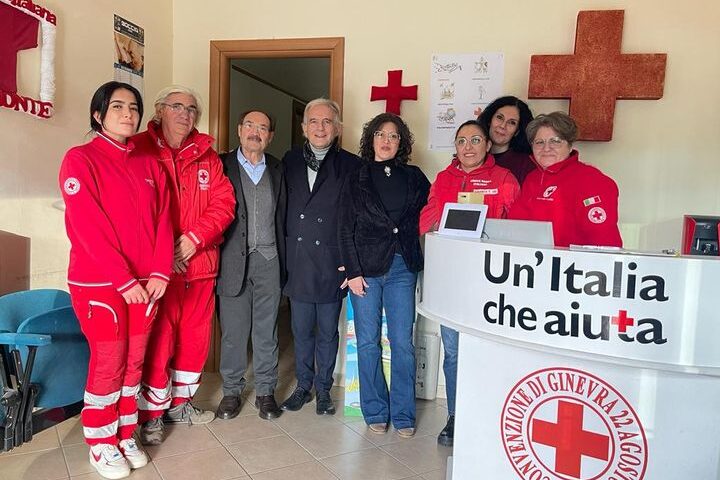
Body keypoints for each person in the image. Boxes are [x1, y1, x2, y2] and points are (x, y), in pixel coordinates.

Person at [59, 81, 173, 479]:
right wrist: (124, 279)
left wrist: (160, 272)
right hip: (101, 285)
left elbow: (163, 222)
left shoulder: (149, 164)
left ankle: (125, 433)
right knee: (109, 363)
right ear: (98, 115)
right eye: (118, 107)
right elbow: (87, 228)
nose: (128, 114)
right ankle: (100, 443)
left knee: (133, 364)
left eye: (134, 107)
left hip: (147, 285)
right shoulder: (80, 159)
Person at [135, 85, 235, 445]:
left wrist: (194, 239)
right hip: (157, 273)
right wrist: (165, 252)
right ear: (160, 110)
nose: (185, 114)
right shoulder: (139, 149)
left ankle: (181, 403)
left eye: (192, 109)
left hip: (201, 265)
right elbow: (136, 211)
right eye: (177, 107)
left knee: (194, 342)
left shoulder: (208, 155)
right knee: (159, 342)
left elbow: (224, 203)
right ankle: (152, 414)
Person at [419, 119, 519, 446]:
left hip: (492, 285)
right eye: (461, 141)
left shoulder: (503, 179)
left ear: (488, 145)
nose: (468, 146)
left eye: (475, 139)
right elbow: (426, 222)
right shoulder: (444, 179)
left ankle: (491, 417)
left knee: (491, 353)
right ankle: (455, 417)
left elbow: (520, 230)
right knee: (454, 354)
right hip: (453, 283)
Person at [338, 113, 430, 438]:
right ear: (371, 139)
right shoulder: (357, 177)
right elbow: (343, 227)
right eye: (380, 134)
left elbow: (433, 213)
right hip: (365, 271)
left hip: (403, 268)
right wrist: (352, 272)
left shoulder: (416, 177)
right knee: (367, 341)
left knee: (403, 343)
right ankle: (375, 410)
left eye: (393, 135)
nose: (386, 140)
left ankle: (403, 414)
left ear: (401, 141)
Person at [280, 98, 360, 415]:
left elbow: (356, 215)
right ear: (304, 127)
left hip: (331, 260)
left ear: (337, 128)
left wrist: (350, 260)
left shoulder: (352, 165)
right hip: (298, 257)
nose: (320, 128)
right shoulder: (288, 161)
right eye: (314, 121)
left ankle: (324, 389)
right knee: (300, 330)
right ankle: (303, 386)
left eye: (327, 122)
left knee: (327, 331)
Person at [215, 110, 286, 421]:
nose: (255, 132)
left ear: (270, 136)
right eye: (250, 125)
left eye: (263, 127)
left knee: (266, 330)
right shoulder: (220, 165)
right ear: (238, 130)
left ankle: (266, 391)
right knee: (233, 331)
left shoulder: (279, 169)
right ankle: (231, 391)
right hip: (232, 260)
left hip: (269, 261)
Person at [509, 111, 622, 247]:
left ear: (569, 145)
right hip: (528, 263)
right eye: (539, 142)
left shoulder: (592, 180)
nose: (546, 148)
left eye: (555, 141)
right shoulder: (532, 178)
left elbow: (605, 243)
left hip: (570, 266)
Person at [478, 95, 535, 185]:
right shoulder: (472, 156)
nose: (502, 126)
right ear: (490, 120)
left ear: (517, 131)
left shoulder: (525, 164)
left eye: (512, 122)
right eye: (499, 117)